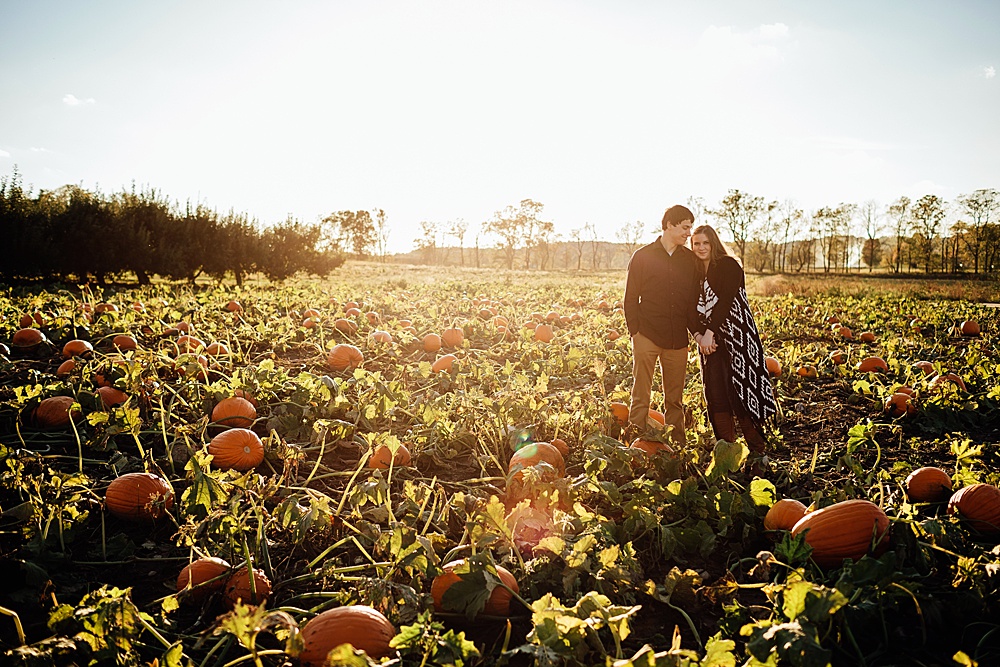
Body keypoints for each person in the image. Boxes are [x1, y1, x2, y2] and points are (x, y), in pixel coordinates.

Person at [690, 224, 777, 453]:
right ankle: (728, 454)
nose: (701, 248)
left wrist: (709, 332)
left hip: (738, 341)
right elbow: (689, 309)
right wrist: (700, 337)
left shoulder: (728, 265)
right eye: (696, 243)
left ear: (714, 243)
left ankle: (758, 453)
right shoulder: (694, 273)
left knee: (742, 395)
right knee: (716, 395)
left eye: (705, 243)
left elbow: (726, 302)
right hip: (710, 345)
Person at [623, 204, 702, 446]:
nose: (689, 233)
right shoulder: (643, 256)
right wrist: (635, 332)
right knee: (640, 395)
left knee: (675, 399)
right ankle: (637, 444)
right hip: (646, 334)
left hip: (677, 338)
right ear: (669, 225)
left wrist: (697, 332)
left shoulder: (690, 260)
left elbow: (693, 301)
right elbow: (630, 298)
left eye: (690, 228)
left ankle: (677, 446)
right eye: (685, 227)